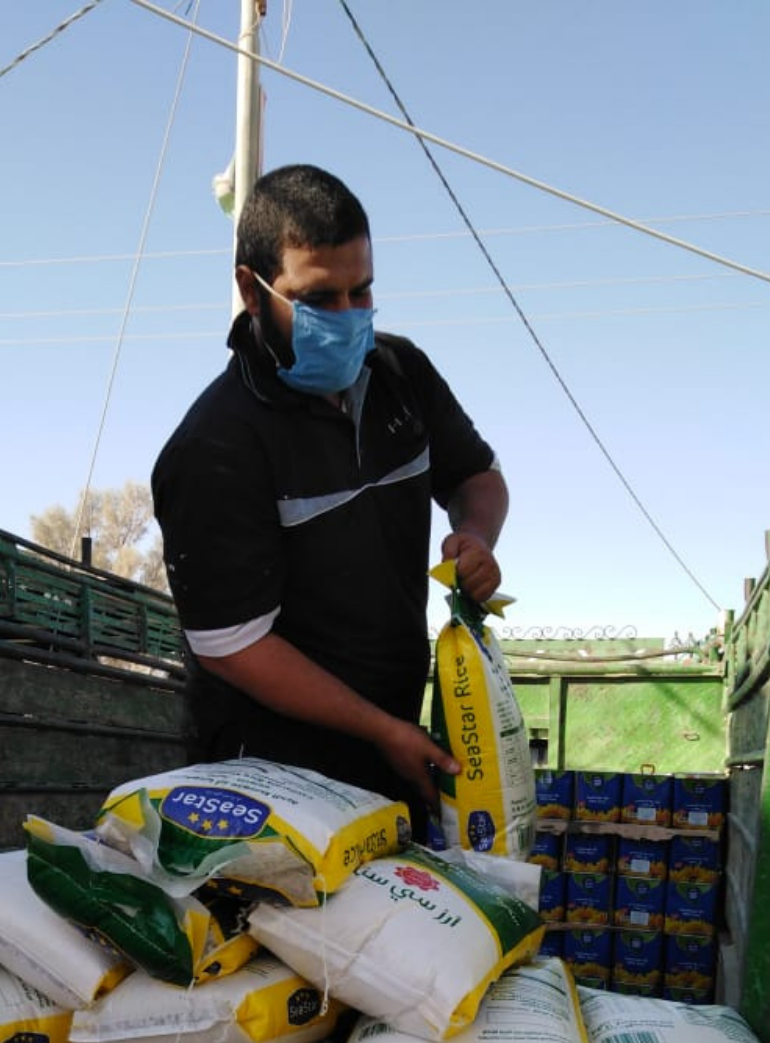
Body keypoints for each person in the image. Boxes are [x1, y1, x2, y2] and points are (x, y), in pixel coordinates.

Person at [152, 163, 507, 823]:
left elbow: (476, 476)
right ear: (251, 290)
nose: (348, 318)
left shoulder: (402, 373)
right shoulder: (214, 447)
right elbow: (234, 645)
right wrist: (381, 730)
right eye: (318, 300)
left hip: (392, 745)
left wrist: (475, 537)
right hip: (268, 782)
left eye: (361, 291)